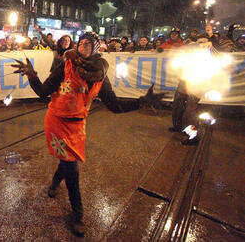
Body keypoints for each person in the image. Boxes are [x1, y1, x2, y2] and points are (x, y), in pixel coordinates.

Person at [12, 32, 165, 237]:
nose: (83, 46)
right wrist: (32, 75)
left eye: (88, 44)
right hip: (57, 122)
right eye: (81, 43)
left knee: (67, 161)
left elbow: (115, 105)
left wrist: (140, 102)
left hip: (78, 126)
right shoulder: (66, 65)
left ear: (96, 47)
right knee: (71, 168)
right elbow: (42, 91)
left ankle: (55, 183)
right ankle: (78, 216)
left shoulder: (100, 74)